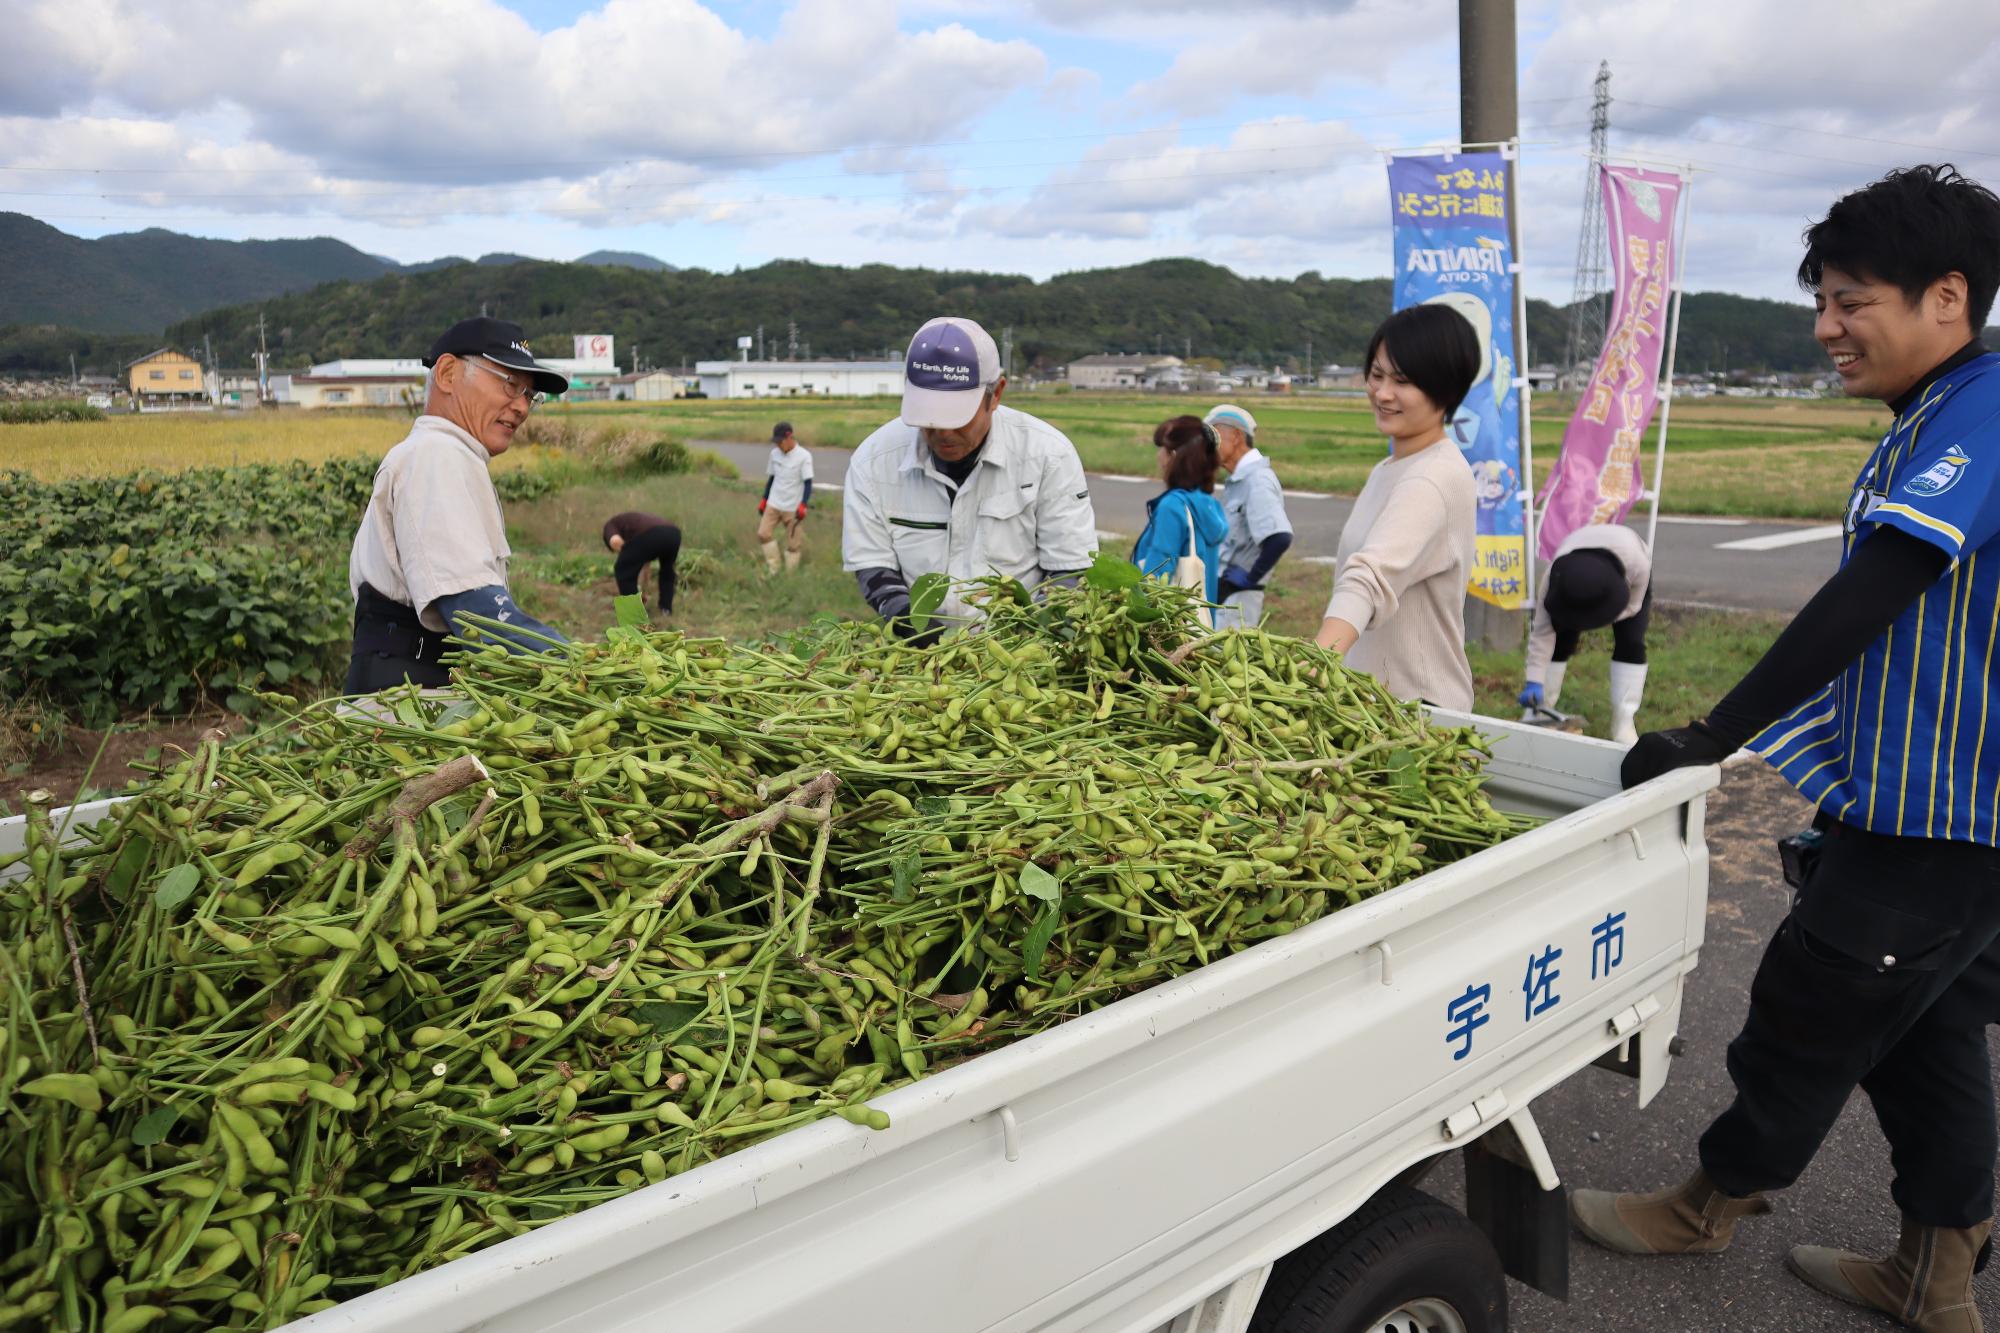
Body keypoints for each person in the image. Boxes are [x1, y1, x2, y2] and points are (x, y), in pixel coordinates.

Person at [1574, 165, 2000, 1333]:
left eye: (1850, 301)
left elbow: (1881, 581)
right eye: (1821, 300)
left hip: (1935, 815)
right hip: (1940, 809)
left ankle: (1706, 1201)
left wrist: (1715, 732)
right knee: (1931, 1037)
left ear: (1947, 296)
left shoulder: (1987, 409)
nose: (1823, 328)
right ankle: (1935, 1271)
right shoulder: (1944, 409)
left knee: (1804, 1016)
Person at [345, 317, 569, 693]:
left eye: (530, 395)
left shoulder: (450, 456)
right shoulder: (436, 454)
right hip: (406, 701)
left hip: (414, 687)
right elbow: (476, 612)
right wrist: (581, 664)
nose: (522, 407)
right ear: (448, 374)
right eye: (511, 385)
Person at [842, 316, 1097, 634]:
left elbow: (1068, 569)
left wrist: (1035, 634)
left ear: (997, 393)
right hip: (918, 654)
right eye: (930, 417)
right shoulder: (874, 461)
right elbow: (871, 562)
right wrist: (908, 620)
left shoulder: (1047, 456)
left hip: (1023, 649)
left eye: (957, 417)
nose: (944, 433)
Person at [1314, 305, 1479, 711]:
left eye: (1402, 381)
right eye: (1377, 375)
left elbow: (1369, 577)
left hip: (1417, 711)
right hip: (1374, 705)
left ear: (1445, 389)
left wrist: (1310, 665)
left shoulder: (1432, 478)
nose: (1383, 393)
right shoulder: (1391, 467)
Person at [1519, 524, 1653, 742]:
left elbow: (1633, 607)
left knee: (1631, 642)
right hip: (1576, 567)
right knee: (1560, 639)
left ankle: (1623, 722)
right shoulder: (1555, 576)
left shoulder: (1639, 565)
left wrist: (1599, 615)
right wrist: (1534, 680)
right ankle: (1540, 710)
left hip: (1627, 562)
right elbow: (1542, 632)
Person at [1206, 403, 1293, 630]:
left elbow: (1280, 536)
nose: (1208, 447)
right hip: (1225, 597)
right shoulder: (1240, 479)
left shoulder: (1257, 480)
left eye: (1214, 437)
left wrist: (1250, 578)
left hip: (1235, 602)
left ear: (1235, 436)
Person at [1129, 415, 1229, 604]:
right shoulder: (1210, 504)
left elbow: (1154, 579)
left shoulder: (1173, 507)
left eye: (1163, 450)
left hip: (1170, 628)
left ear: (1174, 457)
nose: (1159, 456)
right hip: (1201, 624)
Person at [758, 421, 814, 574]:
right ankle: (774, 567)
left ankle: (790, 575)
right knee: (763, 534)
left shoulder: (804, 456)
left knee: (793, 544)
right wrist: (764, 499)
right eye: (775, 442)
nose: (778, 445)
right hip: (774, 503)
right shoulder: (774, 454)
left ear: (789, 437)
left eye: (780, 442)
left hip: (793, 508)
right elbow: (771, 478)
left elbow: (808, 483)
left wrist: (804, 504)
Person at [602, 512, 682, 616]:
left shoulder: (610, 525)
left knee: (623, 570)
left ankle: (634, 614)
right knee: (667, 572)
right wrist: (643, 593)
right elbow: (644, 562)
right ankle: (666, 609)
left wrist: (625, 555)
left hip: (651, 534)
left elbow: (615, 541)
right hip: (673, 534)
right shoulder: (634, 526)